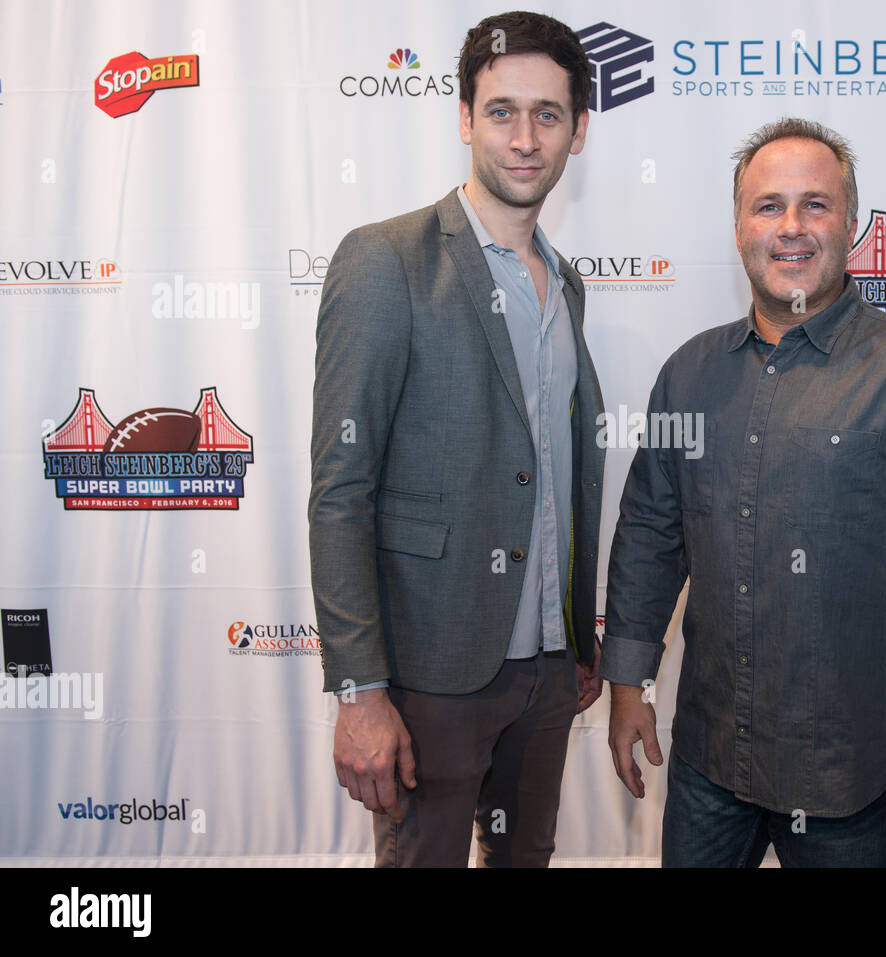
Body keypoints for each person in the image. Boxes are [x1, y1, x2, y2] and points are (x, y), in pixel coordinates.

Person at [601, 117, 886, 867]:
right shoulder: (689, 375)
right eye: (769, 206)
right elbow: (649, 535)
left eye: (815, 205)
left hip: (851, 777)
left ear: (852, 225)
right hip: (708, 764)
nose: (791, 227)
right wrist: (629, 682)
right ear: (738, 227)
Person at [309, 10, 605, 867]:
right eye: (501, 111)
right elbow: (341, 489)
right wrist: (360, 690)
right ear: (464, 118)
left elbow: (554, 474)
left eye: (547, 114)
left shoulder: (568, 284)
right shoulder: (386, 260)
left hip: (549, 674)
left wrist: (574, 637)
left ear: (578, 131)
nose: (524, 138)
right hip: (428, 676)